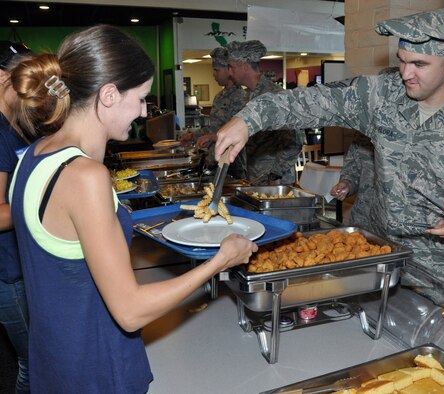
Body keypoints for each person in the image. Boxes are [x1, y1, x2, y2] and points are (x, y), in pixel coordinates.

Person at [215, 8, 444, 320]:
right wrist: (249, 119)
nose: (406, 73)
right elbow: (311, 101)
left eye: (419, 64)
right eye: (401, 61)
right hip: (381, 258)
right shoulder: (382, 95)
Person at [8, 25, 257, 391]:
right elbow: (130, 311)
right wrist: (221, 260)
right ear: (108, 94)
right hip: (96, 369)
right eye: (140, 98)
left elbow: (67, 259)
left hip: (55, 362)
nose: (143, 111)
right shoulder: (86, 176)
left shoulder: (33, 155)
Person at [0, 40, 32, 394]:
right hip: (7, 275)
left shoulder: (16, 127)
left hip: (22, 264)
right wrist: (47, 201)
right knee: (33, 362)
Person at [226, 40, 302, 185]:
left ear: (244, 66)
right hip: (255, 177)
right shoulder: (249, 95)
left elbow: (294, 141)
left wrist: (276, 175)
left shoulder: (275, 96)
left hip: (274, 182)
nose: (229, 72)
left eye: (231, 67)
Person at [179, 47, 248, 179]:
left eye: (217, 70)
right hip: (214, 159)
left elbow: (237, 132)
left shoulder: (241, 97)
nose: (214, 74)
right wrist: (192, 136)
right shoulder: (219, 96)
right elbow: (213, 128)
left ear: (229, 70)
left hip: (232, 162)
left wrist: (211, 137)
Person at [329, 134, 375, 230]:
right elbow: (352, 170)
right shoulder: (364, 133)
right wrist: (347, 183)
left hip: (402, 229)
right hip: (364, 219)